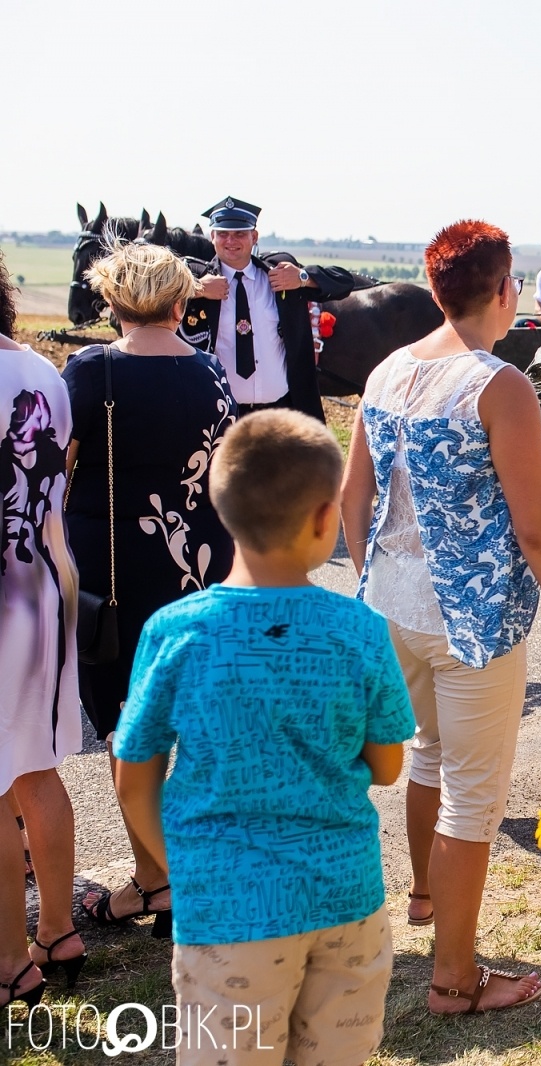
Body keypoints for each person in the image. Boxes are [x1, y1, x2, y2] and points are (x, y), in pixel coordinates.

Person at [342, 220, 541, 1015]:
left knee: (428, 756)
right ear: (503, 291)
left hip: (393, 603)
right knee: (472, 796)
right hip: (474, 618)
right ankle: (455, 977)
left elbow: (354, 498)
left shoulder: (387, 370)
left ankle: (426, 898)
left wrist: (374, 577)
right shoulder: (501, 385)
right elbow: (535, 528)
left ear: (434, 290)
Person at [112, 410, 414, 1060]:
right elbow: (388, 767)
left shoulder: (174, 631)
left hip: (226, 913)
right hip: (345, 899)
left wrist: (186, 871)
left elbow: (133, 779)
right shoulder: (359, 629)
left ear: (222, 511)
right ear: (322, 516)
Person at [64, 241, 237, 939]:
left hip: (113, 574)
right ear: (179, 302)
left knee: (128, 727)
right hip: (202, 563)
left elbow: (57, 469)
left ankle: (155, 879)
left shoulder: (88, 371)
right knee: (193, 722)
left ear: (111, 303)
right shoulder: (212, 372)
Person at [1, 254, 79, 1007]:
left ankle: (8, 961)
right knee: (36, 769)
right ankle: (56, 927)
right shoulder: (44, 374)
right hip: (42, 582)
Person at [177, 196, 356, 421]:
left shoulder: (279, 272)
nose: (230, 240)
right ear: (212, 237)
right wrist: (198, 289)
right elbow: (145, 295)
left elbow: (344, 282)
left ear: (254, 237)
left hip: (281, 410)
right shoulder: (195, 275)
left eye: (240, 233)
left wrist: (303, 277)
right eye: (222, 233)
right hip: (220, 413)